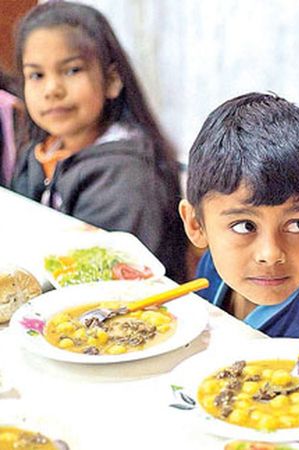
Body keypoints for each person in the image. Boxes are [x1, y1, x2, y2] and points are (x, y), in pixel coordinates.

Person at [179, 92, 299, 351]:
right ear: (196, 225)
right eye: (245, 226)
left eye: (297, 225)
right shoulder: (213, 266)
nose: (270, 254)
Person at [10, 1, 187, 282]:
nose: (52, 89)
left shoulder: (128, 173)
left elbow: (106, 279)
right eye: (37, 75)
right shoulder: (41, 152)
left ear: (112, 80)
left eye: (71, 70)